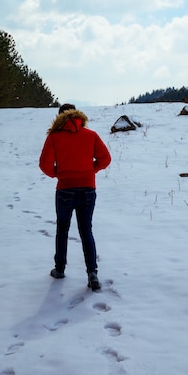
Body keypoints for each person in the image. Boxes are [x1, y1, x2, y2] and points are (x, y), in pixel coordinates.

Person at [39, 103, 111, 291]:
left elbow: (44, 164)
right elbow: (105, 159)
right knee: (86, 230)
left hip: (65, 189)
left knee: (62, 229)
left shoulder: (54, 137)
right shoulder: (91, 135)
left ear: (59, 117)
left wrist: (60, 174)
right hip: (88, 189)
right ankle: (92, 273)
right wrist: (89, 172)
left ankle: (60, 269)